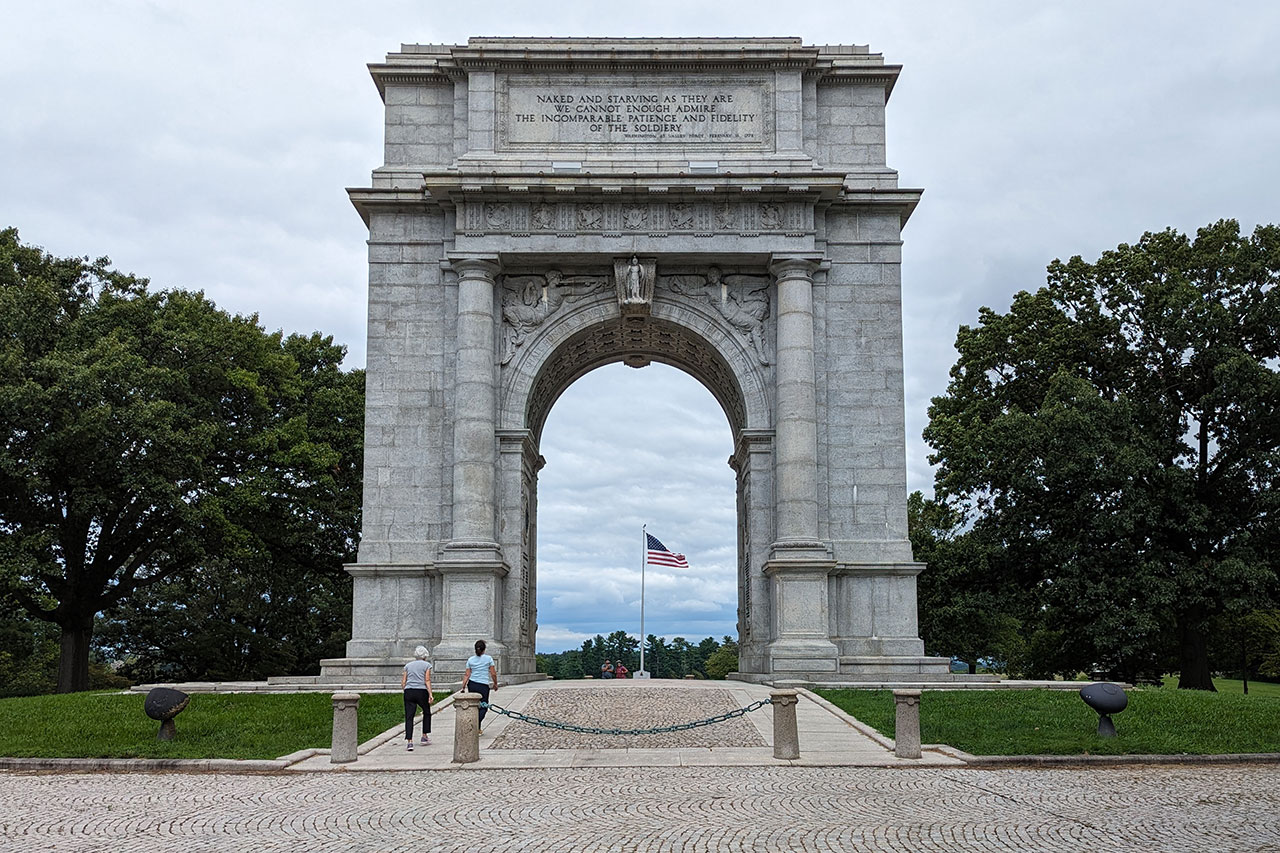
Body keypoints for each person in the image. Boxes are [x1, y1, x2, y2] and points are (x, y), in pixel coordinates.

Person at [401, 645, 433, 751]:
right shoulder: (427, 665)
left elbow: (404, 681)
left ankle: (410, 742)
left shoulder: (408, 665)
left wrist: (405, 689)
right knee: (426, 712)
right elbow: (427, 680)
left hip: (409, 691)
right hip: (421, 691)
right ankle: (424, 736)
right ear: (425, 655)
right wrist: (430, 694)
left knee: (409, 716)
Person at [463, 639, 498, 732]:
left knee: (474, 706)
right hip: (483, 685)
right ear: (484, 649)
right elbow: (493, 673)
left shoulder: (470, 660)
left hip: (472, 684)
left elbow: (467, 674)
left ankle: (477, 728)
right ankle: (476, 724)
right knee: (484, 706)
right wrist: (495, 683)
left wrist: (463, 686)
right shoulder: (489, 659)